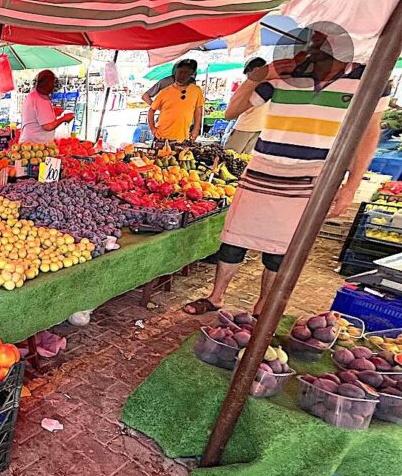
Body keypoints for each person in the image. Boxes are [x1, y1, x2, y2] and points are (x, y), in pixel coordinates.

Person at [184, 29, 389, 317]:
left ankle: (262, 308)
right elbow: (232, 111)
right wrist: (262, 74)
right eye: (313, 46)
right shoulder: (285, 74)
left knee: (281, 250)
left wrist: (350, 186)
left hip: (313, 175)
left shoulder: (367, 80)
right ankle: (216, 297)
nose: (314, 54)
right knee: (234, 240)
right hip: (262, 168)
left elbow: (369, 134)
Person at [147, 59, 204, 142]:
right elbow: (151, 111)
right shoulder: (165, 92)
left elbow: (198, 111)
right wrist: (153, 129)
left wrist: (196, 129)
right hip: (163, 137)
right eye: (180, 72)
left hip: (183, 138)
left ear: (191, 75)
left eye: (186, 73)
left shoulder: (196, 91)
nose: (181, 76)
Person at [223, 58, 269, 153]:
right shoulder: (270, 84)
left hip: (246, 126)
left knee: (229, 156)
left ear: (256, 70)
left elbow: (231, 112)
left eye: (248, 74)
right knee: (246, 158)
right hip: (259, 127)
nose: (248, 78)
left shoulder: (253, 86)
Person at [20, 70, 69, 144]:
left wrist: (53, 114)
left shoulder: (33, 96)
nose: (53, 86)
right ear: (47, 84)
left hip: (33, 145)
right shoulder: (40, 99)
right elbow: (48, 126)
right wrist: (64, 119)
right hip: (35, 146)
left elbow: (39, 118)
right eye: (52, 82)